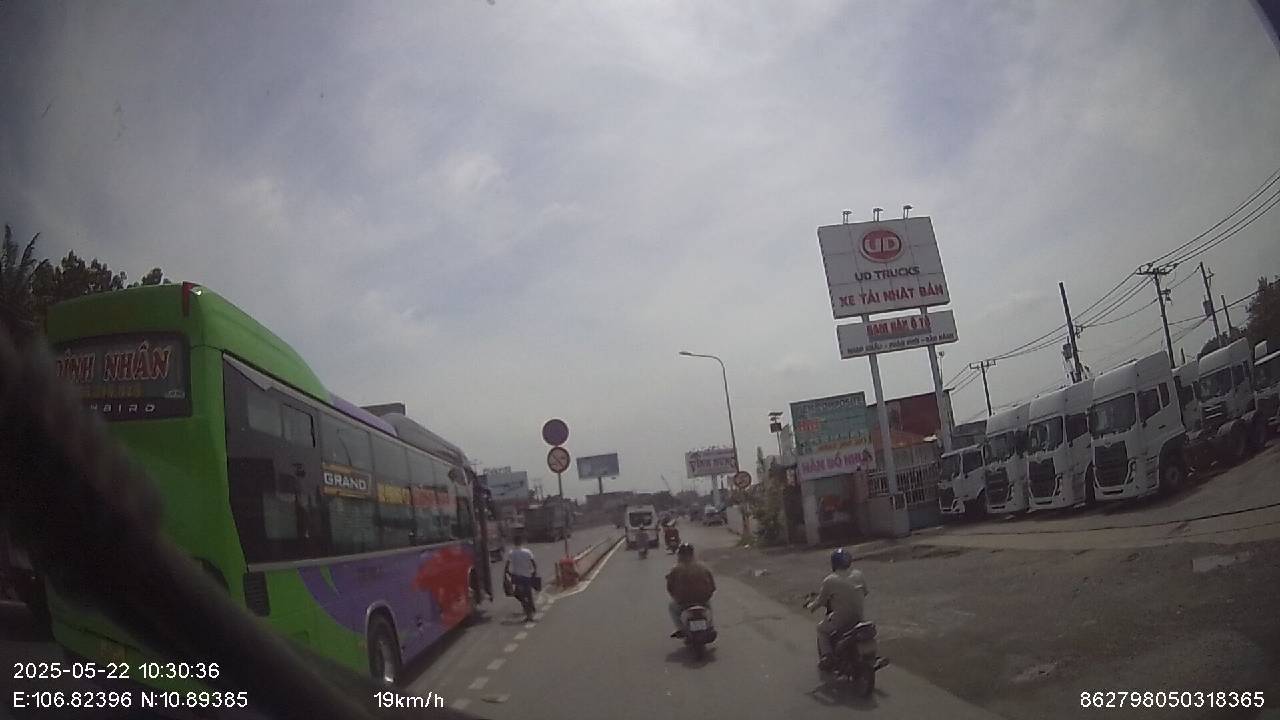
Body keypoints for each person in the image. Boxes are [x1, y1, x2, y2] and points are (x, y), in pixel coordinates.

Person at [804, 548, 868, 670]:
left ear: (833, 563)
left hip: (841, 620)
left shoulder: (830, 580)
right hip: (859, 618)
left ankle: (828, 657)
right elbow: (865, 592)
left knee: (821, 630)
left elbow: (821, 601)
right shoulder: (859, 574)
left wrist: (811, 606)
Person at [665, 543, 715, 637]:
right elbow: (712, 585)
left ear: (680, 555)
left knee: (672, 607)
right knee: (709, 607)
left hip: (683, 602)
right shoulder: (703, 567)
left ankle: (680, 629)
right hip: (702, 600)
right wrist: (707, 594)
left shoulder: (676, 569)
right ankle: (710, 626)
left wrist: (677, 596)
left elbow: (670, 587)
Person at [503, 534, 538, 620]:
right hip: (527, 576)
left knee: (520, 595)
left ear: (514, 542)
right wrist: (534, 573)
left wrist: (509, 574)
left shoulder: (511, 553)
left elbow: (507, 567)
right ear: (521, 542)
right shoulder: (527, 552)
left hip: (517, 578)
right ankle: (531, 610)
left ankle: (528, 611)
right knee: (528, 594)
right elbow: (534, 564)